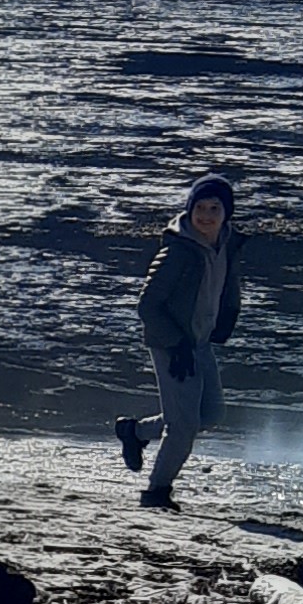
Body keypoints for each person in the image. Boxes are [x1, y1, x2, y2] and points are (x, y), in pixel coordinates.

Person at [117, 171, 242, 509]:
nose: (205, 215)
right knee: (183, 427)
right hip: (171, 345)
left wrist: (226, 319)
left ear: (226, 212)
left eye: (214, 208)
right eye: (199, 207)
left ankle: (136, 433)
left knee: (212, 413)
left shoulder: (226, 243)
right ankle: (157, 493)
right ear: (189, 209)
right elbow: (148, 306)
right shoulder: (178, 250)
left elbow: (228, 286)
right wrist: (175, 344)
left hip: (198, 342)